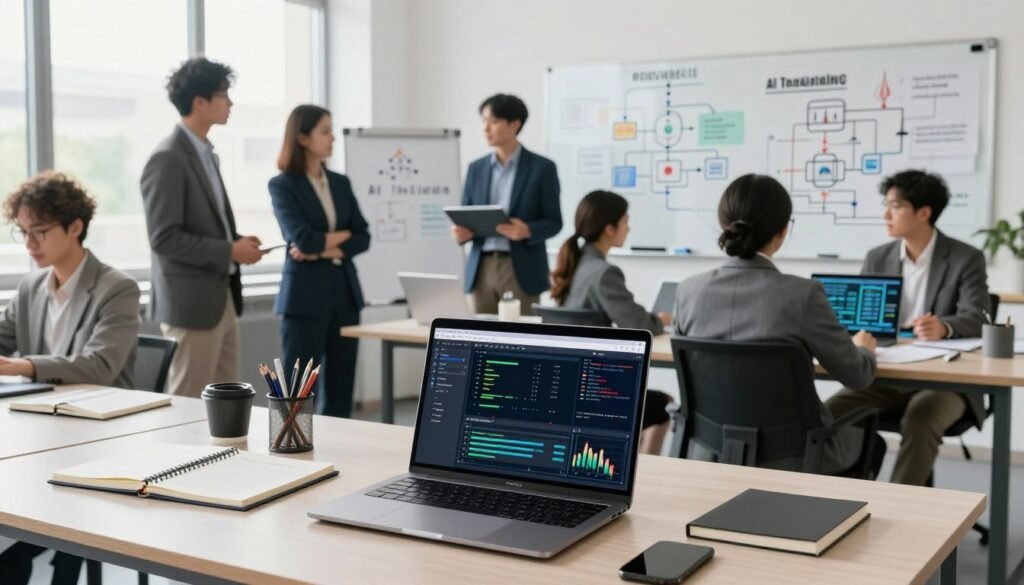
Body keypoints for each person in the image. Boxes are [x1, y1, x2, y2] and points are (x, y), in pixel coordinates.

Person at [674, 174, 878, 474]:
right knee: (873, 442)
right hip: (795, 455)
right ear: (782, 232)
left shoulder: (688, 291)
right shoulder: (803, 295)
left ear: (724, 225)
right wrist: (865, 351)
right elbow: (857, 376)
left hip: (711, 449)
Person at [0, 172, 140, 585]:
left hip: (100, 436)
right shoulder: (30, 287)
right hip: (40, 431)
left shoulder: (117, 288)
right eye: (22, 232)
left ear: (75, 226)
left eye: (39, 232)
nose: (29, 244)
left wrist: (25, 365)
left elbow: (99, 366)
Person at [824, 170, 990, 485]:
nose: (886, 214)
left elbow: (979, 316)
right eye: (886, 205)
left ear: (924, 213)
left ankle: (899, 517)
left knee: (921, 417)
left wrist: (944, 327)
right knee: (828, 414)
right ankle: (837, 501)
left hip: (946, 380)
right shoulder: (878, 257)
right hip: (887, 373)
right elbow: (861, 319)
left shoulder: (965, 258)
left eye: (896, 206)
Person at [140, 57, 265, 398]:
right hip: (191, 304)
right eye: (224, 95)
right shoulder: (167, 158)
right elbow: (164, 239)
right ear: (200, 102)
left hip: (221, 295)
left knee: (227, 401)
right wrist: (229, 250)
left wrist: (237, 243)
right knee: (188, 402)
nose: (231, 104)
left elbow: (206, 223)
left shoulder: (207, 154)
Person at [550, 190, 673, 453]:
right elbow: (640, 325)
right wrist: (660, 319)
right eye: (626, 221)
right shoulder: (605, 272)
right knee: (665, 403)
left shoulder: (573, 264)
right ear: (609, 229)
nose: (629, 228)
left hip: (568, 390)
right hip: (597, 394)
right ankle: (645, 469)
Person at [269, 105, 370, 418]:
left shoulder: (340, 182)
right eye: (325, 131)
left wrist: (321, 248)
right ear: (302, 137)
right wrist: (337, 238)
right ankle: (292, 450)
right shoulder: (283, 185)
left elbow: (363, 236)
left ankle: (342, 455)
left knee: (341, 388)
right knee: (298, 392)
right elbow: (304, 239)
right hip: (304, 299)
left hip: (344, 294)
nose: (332, 138)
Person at [451, 93, 561, 315]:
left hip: (521, 267)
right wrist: (461, 233)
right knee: (480, 339)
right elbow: (465, 214)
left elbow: (554, 222)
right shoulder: (476, 168)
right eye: (484, 121)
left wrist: (527, 230)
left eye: (493, 121)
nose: (486, 128)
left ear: (514, 125)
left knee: (521, 341)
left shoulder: (542, 168)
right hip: (482, 265)